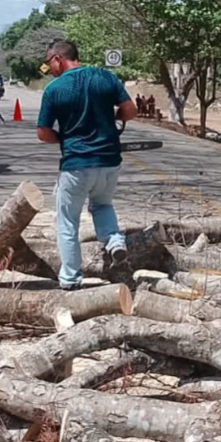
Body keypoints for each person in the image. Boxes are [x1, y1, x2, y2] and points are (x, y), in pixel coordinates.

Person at [35, 41, 138, 290]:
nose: (50, 69)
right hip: (110, 161)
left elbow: (43, 133)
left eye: (49, 63)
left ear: (58, 58)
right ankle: (114, 241)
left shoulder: (54, 89)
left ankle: (70, 278)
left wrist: (63, 139)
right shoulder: (105, 76)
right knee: (102, 204)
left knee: (68, 221)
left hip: (76, 164)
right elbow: (130, 111)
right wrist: (113, 117)